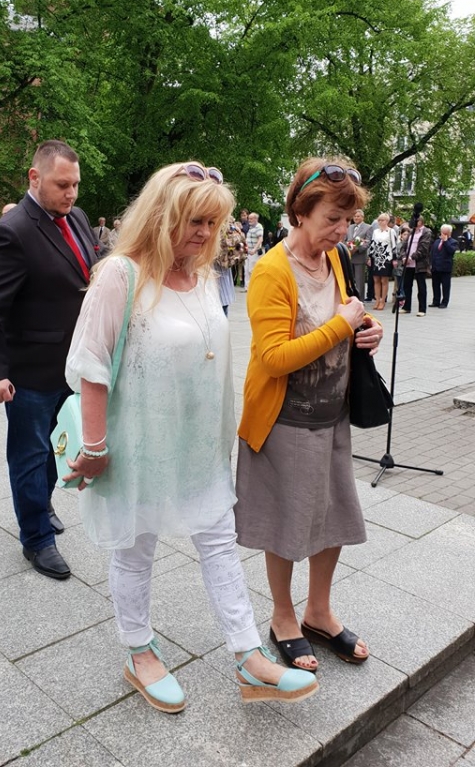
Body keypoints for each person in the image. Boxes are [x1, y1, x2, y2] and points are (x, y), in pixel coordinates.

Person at [63, 161, 318, 714]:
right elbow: (91, 366)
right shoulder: (120, 275)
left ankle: (249, 656)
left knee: (219, 541)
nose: (205, 234)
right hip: (137, 443)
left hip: (198, 445)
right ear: (161, 216)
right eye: (194, 221)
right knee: (136, 547)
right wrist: (96, 446)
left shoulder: (201, 277)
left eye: (213, 223)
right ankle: (138, 651)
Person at [235, 158, 382, 673]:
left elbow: (345, 312)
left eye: (347, 220)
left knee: (333, 517)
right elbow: (274, 357)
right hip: (285, 422)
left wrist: (367, 327)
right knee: (286, 522)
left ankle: (318, 611)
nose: (342, 231)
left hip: (331, 414)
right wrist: (342, 326)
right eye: (331, 219)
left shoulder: (333, 257)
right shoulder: (271, 270)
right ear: (300, 212)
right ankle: (283, 617)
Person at [0, 140, 97, 581]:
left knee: (56, 448)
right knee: (29, 454)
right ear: (34, 178)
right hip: (30, 369)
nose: (71, 193)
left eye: (75, 184)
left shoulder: (76, 218)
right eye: (62, 184)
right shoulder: (13, 230)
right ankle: (37, 538)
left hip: (72, 364)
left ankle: (41, 505)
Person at [398, 216, 432, 317]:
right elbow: (404, 246)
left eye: (415, 220)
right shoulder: (411, 232)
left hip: (419, 264)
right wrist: (404, 257)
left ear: (421, 221)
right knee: (407, 286)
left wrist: (411, 257)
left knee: (421, 286)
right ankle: (406, 307)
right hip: (408, 264)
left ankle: (422, 309)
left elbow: (423, 248)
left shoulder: (426, 232)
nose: (413, 222)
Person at [367, 213, 396, 310]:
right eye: (379, 220)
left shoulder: (391, 231)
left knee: (384, 280)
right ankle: (377, 300)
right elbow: (372, 245)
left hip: (386, 258)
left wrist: (394, 259)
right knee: (376, 280)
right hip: (376, 258)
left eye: (382, 220)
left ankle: (383, 300)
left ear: (387, 221)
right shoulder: (376, 231)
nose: (380, 222)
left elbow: (394, 246)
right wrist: (369, 257)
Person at [429, 224, 459, 309]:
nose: (443, 234)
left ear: (450, 233)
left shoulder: (453, 242)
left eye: (445, 233)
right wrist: (431, 264)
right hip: (435, 267)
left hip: (445, 268)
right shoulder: (437, 241)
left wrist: (445, 241)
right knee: (435, 285)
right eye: (442, 232)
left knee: (445, 286)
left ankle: (444, 302)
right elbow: (432, 253)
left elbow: (451, 251)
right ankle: (436, 301)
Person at [345, 209, 372, 297]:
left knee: (359, 281)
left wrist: (357, 248)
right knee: (348, 280)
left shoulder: (368, 227)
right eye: (355, 216)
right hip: (349, 257)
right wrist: (347, 247)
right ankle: (350, 298)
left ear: (362, 217)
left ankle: (360, 299)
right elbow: (345, 239)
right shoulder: (350, 227)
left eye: (358, 216)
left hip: (359, 257)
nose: (356, 218)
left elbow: (367, 242)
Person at [243, 212, 264, 291]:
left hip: (254, 252)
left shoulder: (259, 227)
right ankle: (247, 288)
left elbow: (260, 239)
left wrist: (254, 249)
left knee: (251, 270)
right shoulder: (250, 227)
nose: (249, 220)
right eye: (249, 218)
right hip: (248, 251)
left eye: (251, 219)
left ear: (256, 219)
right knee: (246, 270)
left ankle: (254, 287)